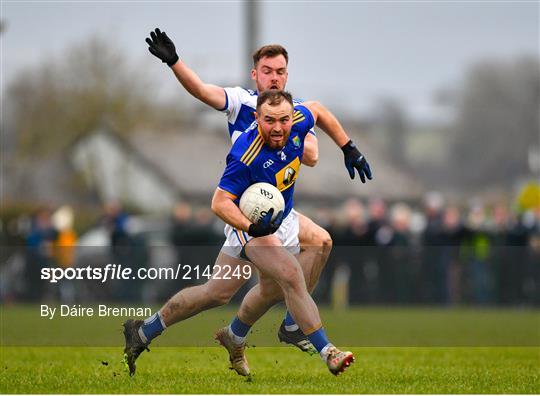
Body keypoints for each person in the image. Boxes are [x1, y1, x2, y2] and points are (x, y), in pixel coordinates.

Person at [140, 28, 372, 352]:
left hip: (279, 210)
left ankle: (281, 325)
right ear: (255, 74)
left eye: (280, 72)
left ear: (287, 74)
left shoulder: (293, 113)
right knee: (233, 291)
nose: (274, 78)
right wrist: (175, 62)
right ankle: (169, 329)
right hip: (246, 210)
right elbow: (203, 91)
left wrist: (347, 147)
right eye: (267, 71)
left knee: (318, 245)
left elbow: (314, 151)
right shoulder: (241, 102)